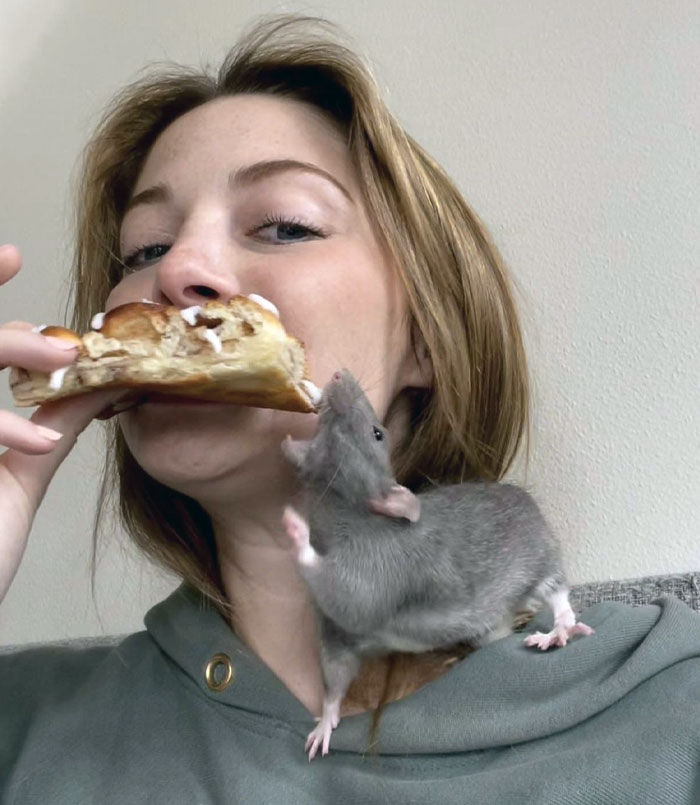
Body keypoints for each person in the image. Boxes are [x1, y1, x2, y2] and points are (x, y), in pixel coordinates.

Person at [1, 14, 699, 804]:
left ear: (427, 340)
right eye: (146, 248)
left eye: (285, 225)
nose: (178, 270)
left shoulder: (673, 706)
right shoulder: (23, 728)